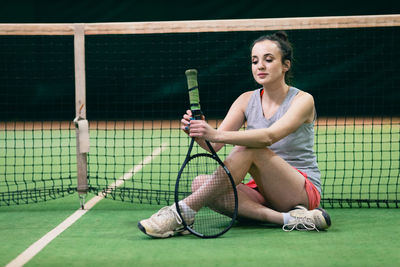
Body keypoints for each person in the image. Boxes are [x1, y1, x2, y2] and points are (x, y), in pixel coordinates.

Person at [138, 31, 331, 238]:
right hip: (261, 190)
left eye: (268, 59)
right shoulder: (245, 100)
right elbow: (215, 146)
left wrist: (215, 134)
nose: (260, 66)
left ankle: (181, 212)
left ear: (286, 65)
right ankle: (291, 219)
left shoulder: (303, 100)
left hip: (300, 190)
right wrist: (199, 132)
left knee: (250, 148)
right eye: (255, 61)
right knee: (200, 184)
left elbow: (268, 137)